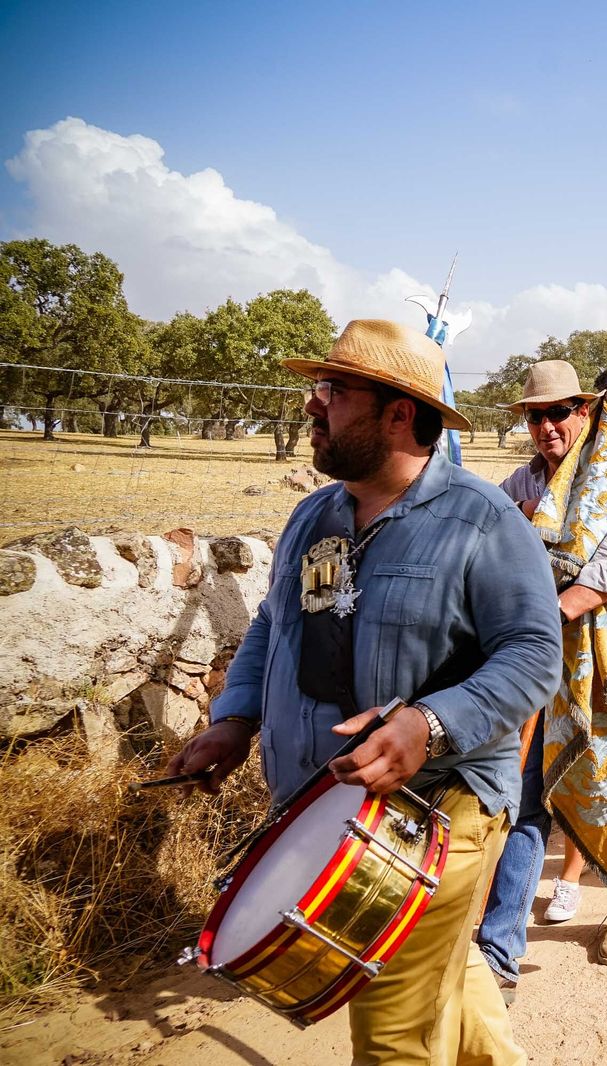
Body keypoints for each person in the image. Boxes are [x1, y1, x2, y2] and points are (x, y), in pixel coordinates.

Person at [164, 320, 562, 1063]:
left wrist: (429, 724)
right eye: (318, 388)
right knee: (450, 973)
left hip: (440, 810)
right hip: (324, 805)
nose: (312, 406)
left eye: (333, 391)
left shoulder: (483, 520)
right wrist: (236, 719)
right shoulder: (314, 515)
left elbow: (537, 655)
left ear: (398, 412)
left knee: (391, 1038)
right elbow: (272, 627)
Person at [476, 359, 607, 984]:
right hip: (535, 666)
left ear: (585, 412)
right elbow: (485, 557)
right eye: (535, 415)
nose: (547, 425)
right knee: (528, 799)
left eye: (559, 412)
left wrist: (543, 610)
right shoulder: (512, 489)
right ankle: (499, 951)